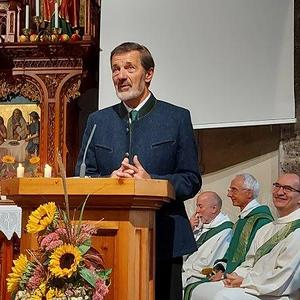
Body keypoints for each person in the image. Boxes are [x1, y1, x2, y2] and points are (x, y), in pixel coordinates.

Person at [75, 42, 201, 300]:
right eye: (115, 69)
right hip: (107, 240)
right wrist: (108, 181)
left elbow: (190, 179)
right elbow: (83, 175)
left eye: (129, 68)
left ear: (149, 73)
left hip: (163, 238)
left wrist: (152, 182)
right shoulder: (98, 121)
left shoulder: (176, 118)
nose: (120, 75)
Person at [192, 173, 300, 300]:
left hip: (276, 292)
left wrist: (245, 281)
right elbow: (249, 262)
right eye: (277, 186)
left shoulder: (296, 230)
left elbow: (283, 277)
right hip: (252, 283)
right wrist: (235, 276)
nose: (279, 192)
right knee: (198, 291)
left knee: (223, 297)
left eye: (288, 189)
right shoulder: (267, 228)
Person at [182, 191, 233, 288]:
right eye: (197, 206)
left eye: (200, 206)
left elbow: (210, 263)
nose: (197, 211)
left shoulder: (225, 231)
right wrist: (189, 230)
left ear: (214, 208)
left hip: (197, 276)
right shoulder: (199, 226)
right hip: (186, 272)